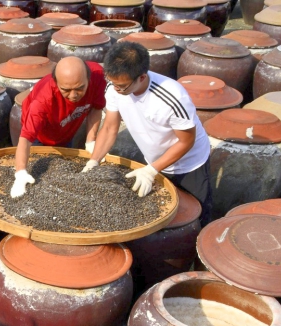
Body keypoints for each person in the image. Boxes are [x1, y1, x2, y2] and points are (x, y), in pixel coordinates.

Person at [87, 41, 213, 225]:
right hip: (153, 158)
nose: (117, 89)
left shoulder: (172, 97)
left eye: (122, 86)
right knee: (157, 213)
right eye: (112, 82)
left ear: (142, 77)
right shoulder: (114, 88)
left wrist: (151, 170)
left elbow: (186, 141)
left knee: (194, 212)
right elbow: (109, 128)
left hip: (188, 165)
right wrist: (94, 160)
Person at [10, 56, 107, 198]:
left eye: (80, 88)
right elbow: (25, 139)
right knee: (41, 181)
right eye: (66, 90)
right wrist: (20, 172)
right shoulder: (42, 101)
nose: (74, 95)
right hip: (41, 133)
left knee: (64, 171)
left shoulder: (98, 75)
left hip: (67, 126)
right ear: (56, 82)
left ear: (89, 78)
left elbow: (96, 108)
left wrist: (90, 141)